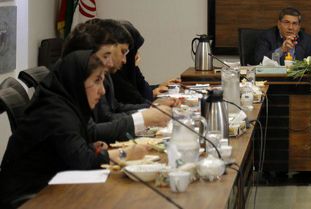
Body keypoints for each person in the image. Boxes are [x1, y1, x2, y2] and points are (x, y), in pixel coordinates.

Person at [0, 50, 148, 207]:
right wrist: (125, 154)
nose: (102, 90)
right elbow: (84, 162)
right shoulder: (55, 112)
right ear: (77, 81)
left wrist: (92, 148)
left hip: (51, 188)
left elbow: (67, 149)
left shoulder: (69, 104)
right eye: (97, 81)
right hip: (29, 199)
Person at [111, 21, 180, 104]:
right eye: (135, 51)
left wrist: (159, 85)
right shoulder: (114, 73)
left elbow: (139, 90)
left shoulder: (125, 68)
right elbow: (137, 97)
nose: (137, 55)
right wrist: (155, 104)